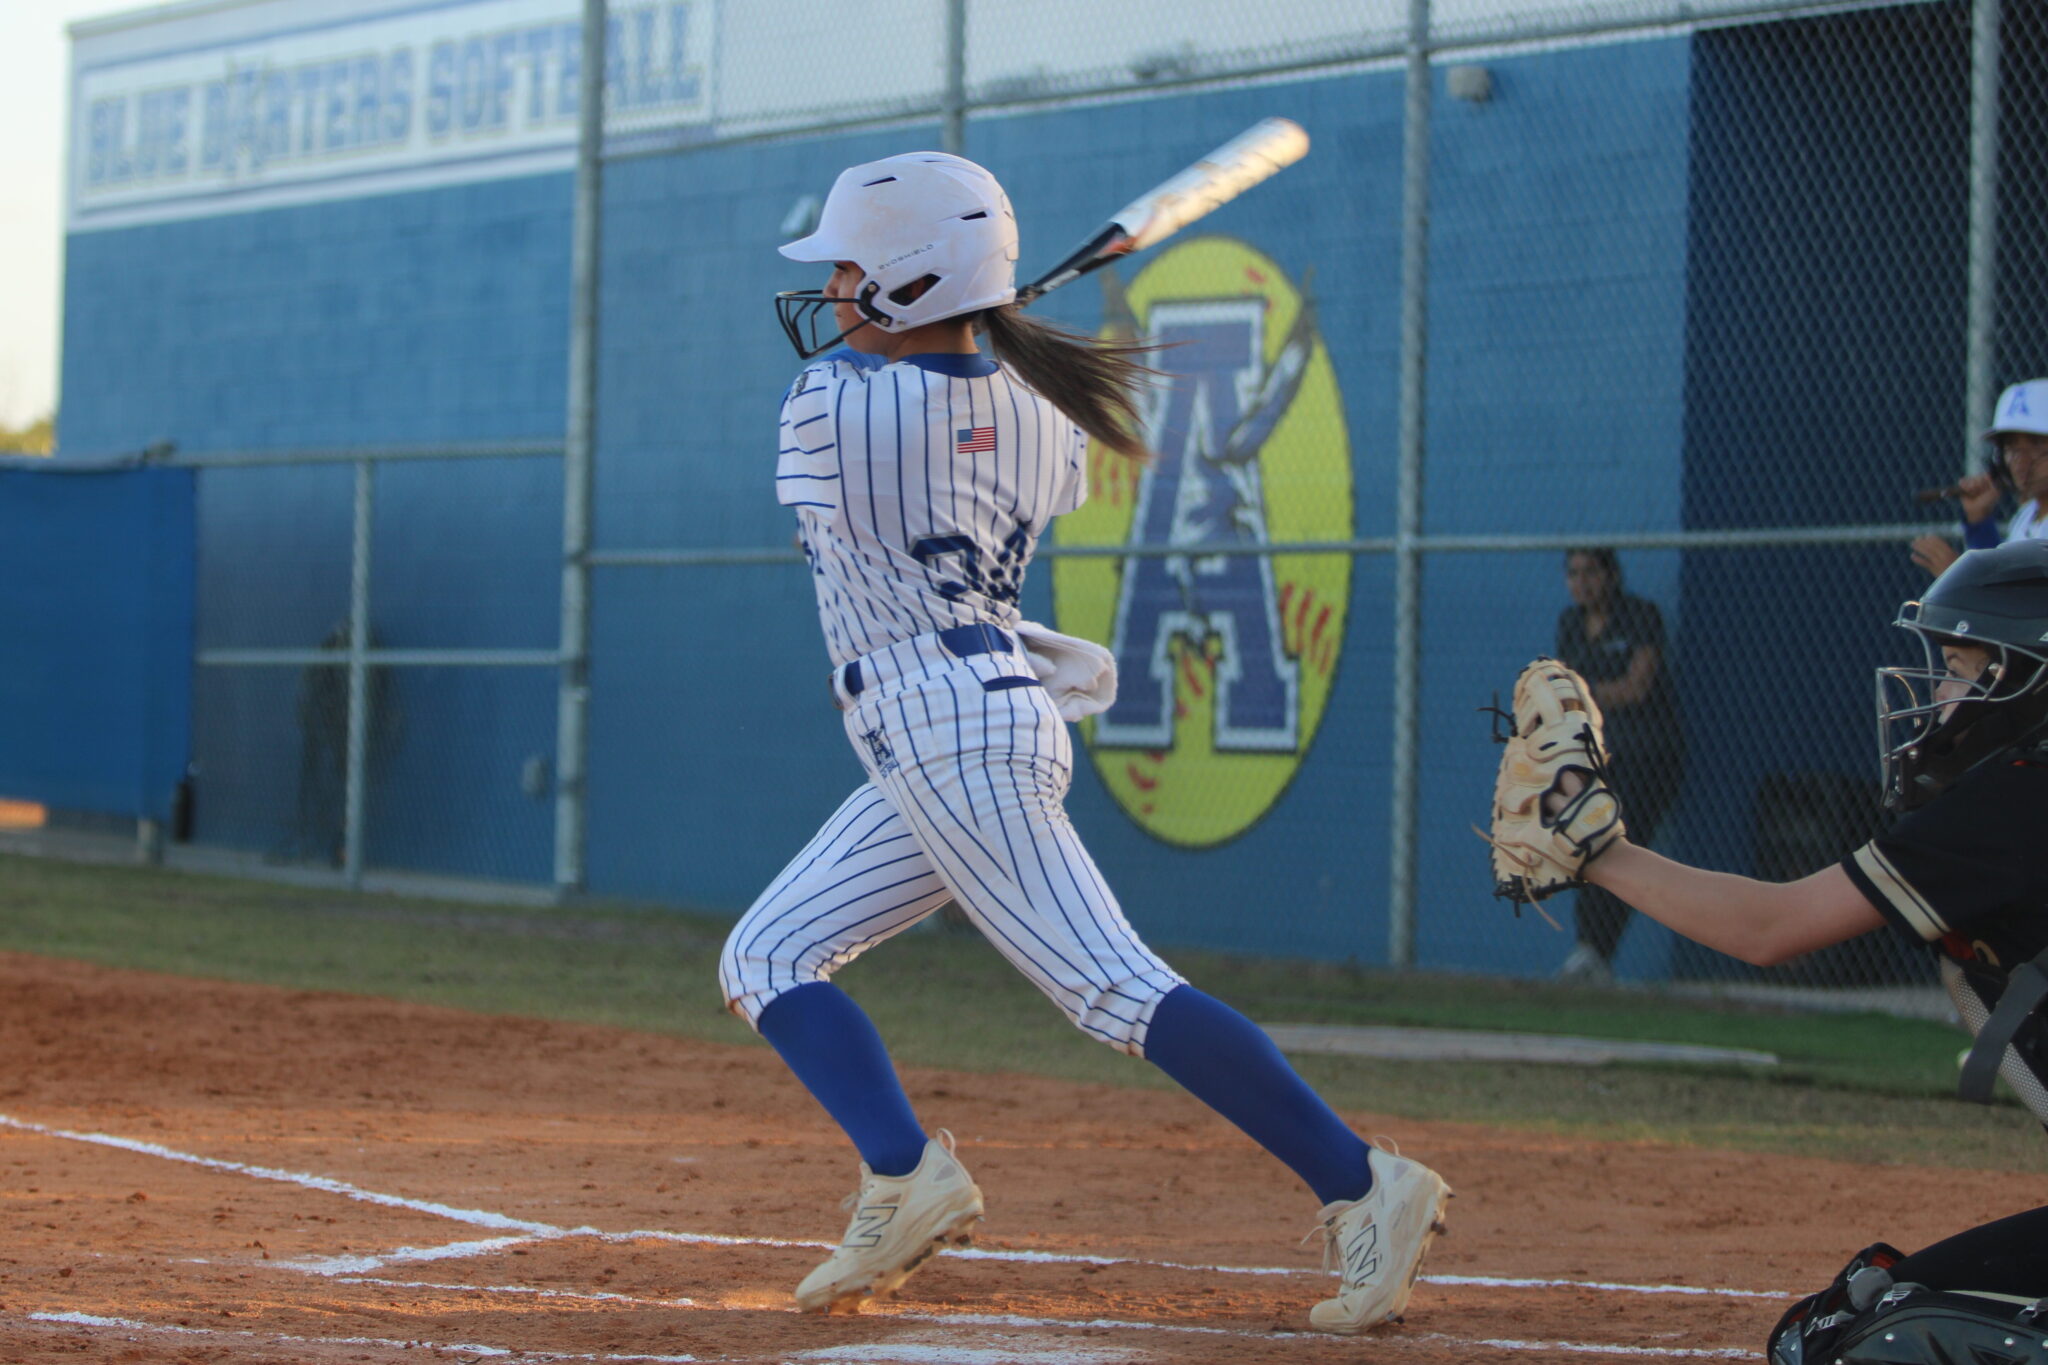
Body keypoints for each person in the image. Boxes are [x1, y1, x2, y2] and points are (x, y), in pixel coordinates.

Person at [716, 151, 1450, 1332]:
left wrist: (954, 331)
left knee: (1114, 991)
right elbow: (942, 385)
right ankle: (908, 1180)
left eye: (854, 269)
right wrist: (968, 326)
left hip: (951, 733)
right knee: (764, 958)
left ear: (910, 285)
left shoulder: (833, 410)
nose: (835, 288)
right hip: (957, 724)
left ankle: (1364, 1184)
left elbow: (873, 382)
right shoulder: (1039, 406)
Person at [1545, 539, 2048, 1361]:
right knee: (1859, 1314)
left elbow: (1768, 926)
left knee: (1861, 1341)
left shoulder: (2013, 798)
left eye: (1959, 665)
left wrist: (1597, 848)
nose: (1938, 690)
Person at [1551, 548, 1684, 981]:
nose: (1582, 582)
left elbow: (1636, 688)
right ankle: (1589, 951)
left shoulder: (1640, 616)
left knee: (1622, 851)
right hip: (1599, 756)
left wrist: (1586, 694)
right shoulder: (1570, 624)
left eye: (1591, 572)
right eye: (1573, 573)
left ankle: (1598, 952)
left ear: (1611, 575)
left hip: (1649, 755)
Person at [1911, 379, 2048, 578]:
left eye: (2035, 444)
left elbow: (2026, 605)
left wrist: (1959, 578)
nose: (2021, 460)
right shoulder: (2027, 515)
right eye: (2011, 446)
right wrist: (1980, 521)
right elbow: (2000, 576)